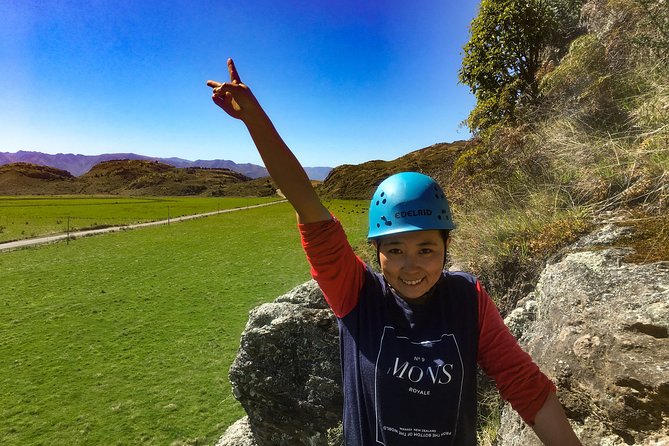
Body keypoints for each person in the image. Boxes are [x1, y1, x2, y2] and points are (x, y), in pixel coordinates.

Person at [207, 58, 582, 446]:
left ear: (445, 247)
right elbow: (308, 207)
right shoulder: (356, 296)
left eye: (426, 248)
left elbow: (525, 386)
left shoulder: (467, 300)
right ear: (377, 252)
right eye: (395, 249)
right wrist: (254, 119)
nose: (411, 265)